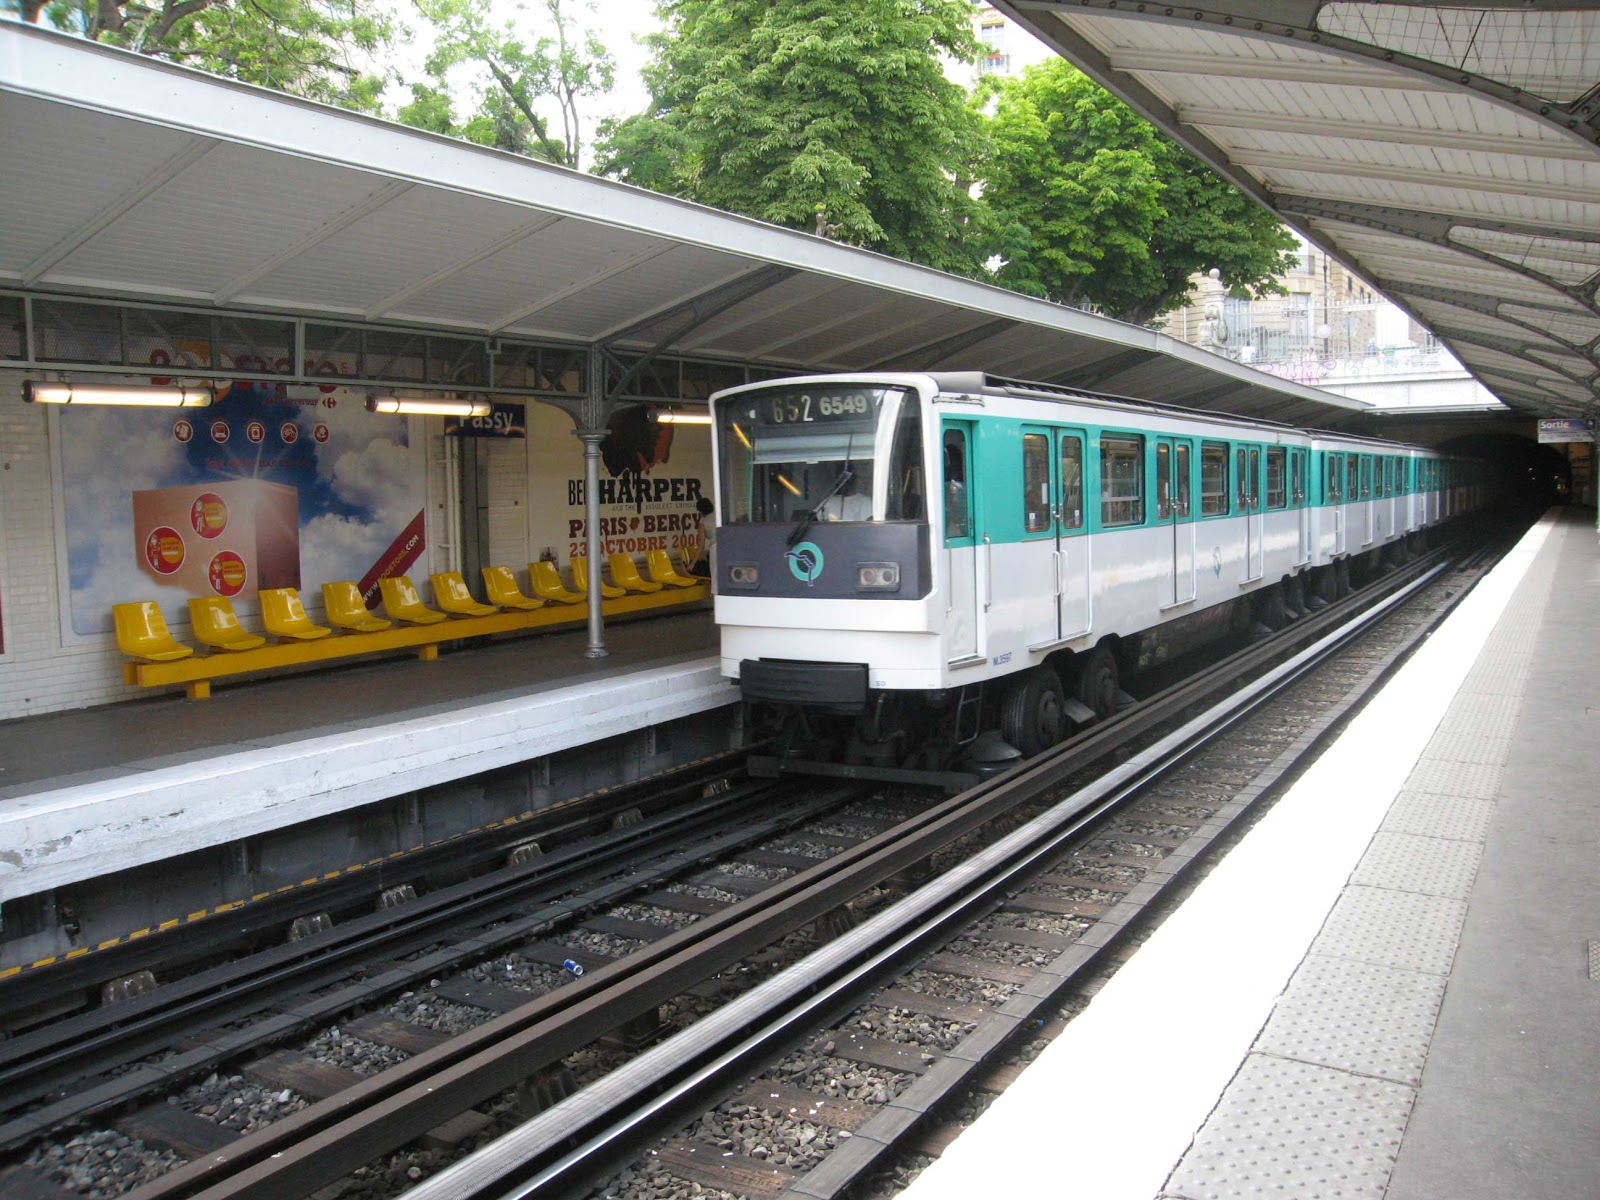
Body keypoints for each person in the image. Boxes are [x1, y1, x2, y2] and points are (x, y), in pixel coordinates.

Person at [687, 496, 715, 578]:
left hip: (715, 549)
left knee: (714, 575)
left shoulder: (703, 523)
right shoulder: (719, 517)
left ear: (700, 510)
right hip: (728, 547)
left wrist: (693, 563)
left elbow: (701, 546)